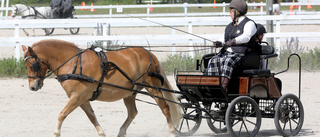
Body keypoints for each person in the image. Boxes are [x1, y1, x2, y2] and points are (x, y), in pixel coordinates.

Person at [206, 0, 258, 92]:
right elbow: (224, 38)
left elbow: (246, 37)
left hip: (242, 54)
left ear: (236, 12)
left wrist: (234, 41)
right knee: (213, 60)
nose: (229, 14)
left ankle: (223, 87)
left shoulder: (249, 23)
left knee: (228, 61)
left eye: (230, 12)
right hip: (228, 53)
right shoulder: (230, 26)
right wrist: (219, 42)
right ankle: (212, 87)